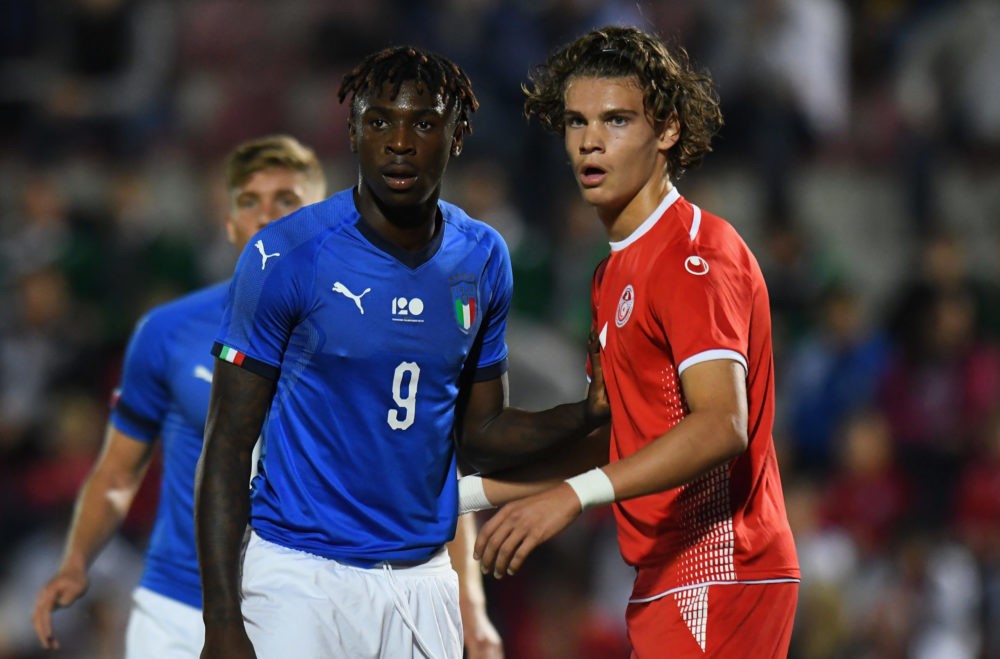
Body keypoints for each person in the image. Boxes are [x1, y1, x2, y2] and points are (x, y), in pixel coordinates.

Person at [194, 46, 607, 659]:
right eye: (380, 121)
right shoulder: (285, 256)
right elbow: (226, 444)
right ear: (353, 130)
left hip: (424, 585)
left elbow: (481, 434)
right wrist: (223, 621)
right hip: (298, 581)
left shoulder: (483, 257)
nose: (399, 142)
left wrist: (585, 413)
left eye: (423, 122)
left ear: (457, 133)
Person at [30, 134, 503, 658]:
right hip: (181, 604)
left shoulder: (367, 333)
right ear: (229, 222)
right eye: (250, 202)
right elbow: (119, 471)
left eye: (286, 201)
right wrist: (75, 562)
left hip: (303, 596)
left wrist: (471, 603)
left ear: (320, 214)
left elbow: (423, 471)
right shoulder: (166, 332)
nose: (267, 216)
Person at [467, 26, 800, 657]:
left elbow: (722, 424)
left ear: (667, 130)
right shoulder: (611, 272)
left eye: (616, 120)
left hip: (720, 567)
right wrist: (462, 497)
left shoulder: (694, 255)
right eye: (576, 122)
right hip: (665, 576)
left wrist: (573, 497)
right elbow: (620, 441)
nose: (590, 141)